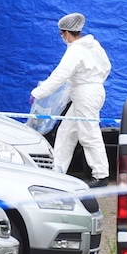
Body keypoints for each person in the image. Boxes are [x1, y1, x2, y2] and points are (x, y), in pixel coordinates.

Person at [30, 12, 111, 188]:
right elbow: (106, 67)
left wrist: (38, 92)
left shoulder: (75, 50)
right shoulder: (94, 45)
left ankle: (101, 176)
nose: (62, 38)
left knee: (89, 134)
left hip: (85, 95)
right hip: (93, 91)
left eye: (61, 34)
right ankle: (57, 172)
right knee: (66, 132)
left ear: (66, 33)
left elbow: (60, 75)